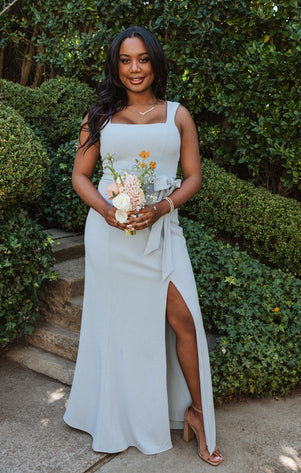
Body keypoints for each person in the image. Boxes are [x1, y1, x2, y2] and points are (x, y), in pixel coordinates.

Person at [64, 26, 223, 467]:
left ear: (155, 63)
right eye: (126, 61)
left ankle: (198, 413)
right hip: (111, 237)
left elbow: (193, 176)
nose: (135, 69)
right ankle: (115, 419)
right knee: (117, 329)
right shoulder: (98, 117)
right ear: (116, 67)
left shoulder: (178, 115)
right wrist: (108, 212)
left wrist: (161, 208)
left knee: (185, 321)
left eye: (143, 60)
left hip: (162, 231)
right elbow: (81, 176)